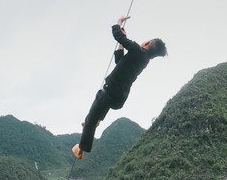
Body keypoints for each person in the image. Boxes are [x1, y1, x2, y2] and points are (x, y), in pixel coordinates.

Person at [72, 15, 167, 159]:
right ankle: (96, 121)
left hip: (109, 92)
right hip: (118, 98)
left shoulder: (137, 50)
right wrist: (123, 41)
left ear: (147, 43)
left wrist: (119, 23)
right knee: (97, 112)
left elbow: (118, 36)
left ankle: (81, 149)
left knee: (90, 118)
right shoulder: (144, 60)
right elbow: (119, 61)